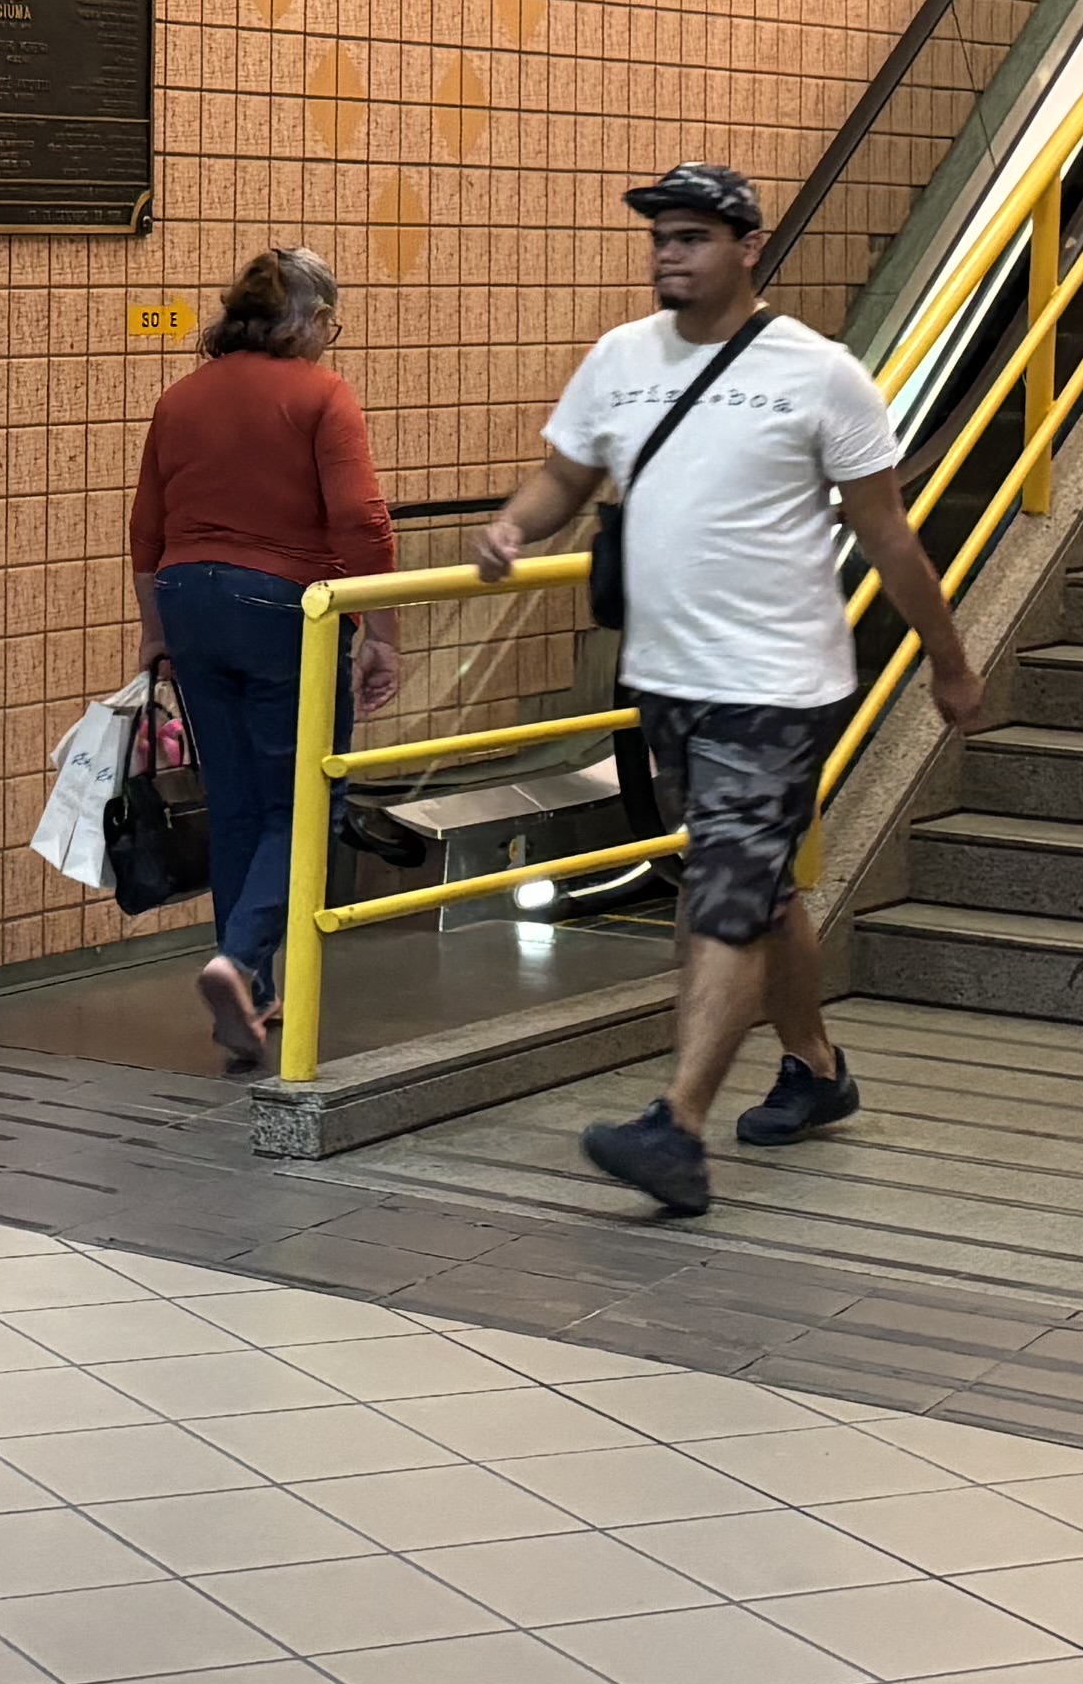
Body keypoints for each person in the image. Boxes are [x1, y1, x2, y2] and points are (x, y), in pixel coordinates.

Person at [474, 164, 985, 1217]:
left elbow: (886, 528)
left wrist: (948, 656)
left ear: (749, 248)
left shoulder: (820, 373)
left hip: (776, 682)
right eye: (661, 235)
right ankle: (815, 1067)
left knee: (721, 892)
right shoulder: (620, 359)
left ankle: (679, 1127)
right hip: (666, 679)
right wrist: (518, 524)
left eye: (694, 235)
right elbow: (568, 475)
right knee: (757, 886)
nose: (670, 252)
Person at [127, 244, 396, 1072]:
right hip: (283, 608)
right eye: (329, 323)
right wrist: (381, 630)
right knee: (309, 797)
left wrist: (154, 629)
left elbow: (147, 524)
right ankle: (238, 963)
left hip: (189, 600)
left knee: (239, 799)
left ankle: (253, 991)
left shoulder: (180, 399)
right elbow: (361, 521)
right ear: (308, 319)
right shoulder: (322, 394)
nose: (329, 339)